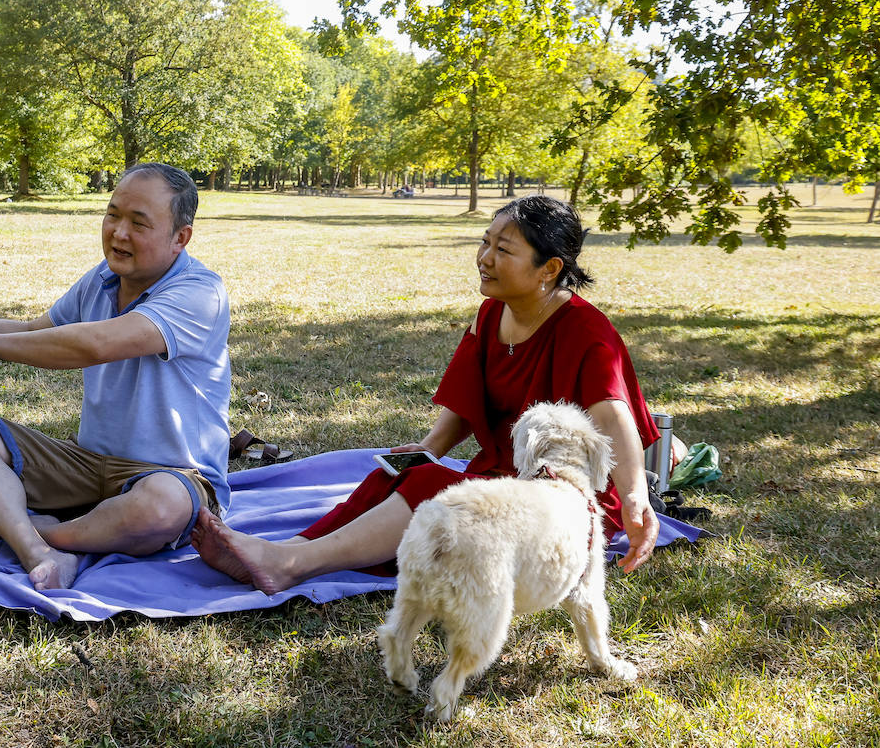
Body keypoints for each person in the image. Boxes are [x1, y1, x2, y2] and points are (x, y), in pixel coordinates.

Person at [192, 195, 661, 594]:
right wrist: (432, 448)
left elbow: (614, 417)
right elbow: (467, 397)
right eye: (485, 242)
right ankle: (284, 550)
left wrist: (636, 496)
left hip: (567, 501)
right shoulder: (490, 315)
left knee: (435, 491)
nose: (485, 257)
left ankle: (292, 566)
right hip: (504, 477)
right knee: (396, 476)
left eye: (504, 249)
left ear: (549, 268)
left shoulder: (586, 331)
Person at [0, 163, 231, 591]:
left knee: (160, 509)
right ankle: (40, 552)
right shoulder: (103, 278)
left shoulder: (201, 293)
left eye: (138, 223)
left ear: (180, 238)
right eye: (112, 215)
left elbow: (97, 344)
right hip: (86, 462)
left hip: (173, 474)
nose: (118, 233)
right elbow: (38, 330)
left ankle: (36, 532)